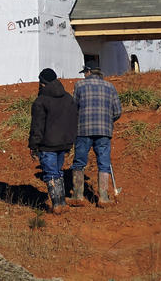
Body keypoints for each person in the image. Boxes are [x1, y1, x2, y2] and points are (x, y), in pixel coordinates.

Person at [69, 60, 122, 206]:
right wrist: (107, 121)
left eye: (85, 72)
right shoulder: (110, 87)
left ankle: (78, 196)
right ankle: (103, 198)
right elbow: (118, 111)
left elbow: (74, 108)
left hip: (83, 130)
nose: (84, 75)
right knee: (104, 164)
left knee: (79, 162)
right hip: (104, 132)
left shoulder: (79, 85)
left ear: (88, 71)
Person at [28, 67, 78, 214]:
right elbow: (73, 120)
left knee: (51, 174)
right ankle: (61, 203)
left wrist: (33, 145)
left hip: (47, 144)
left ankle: (56, 205)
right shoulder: (68, 98)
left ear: (42, 83)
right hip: (64, 143)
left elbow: (37, 126)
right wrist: (70, 140)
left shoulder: (41, 101)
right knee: (58, 172)